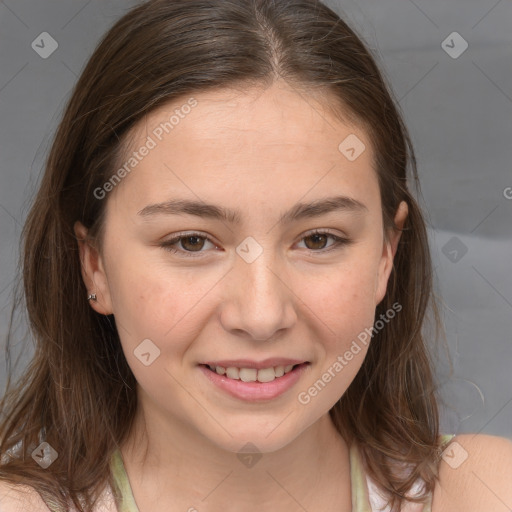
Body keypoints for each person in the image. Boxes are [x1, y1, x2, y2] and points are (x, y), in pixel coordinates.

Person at [0, 0, 511, 511]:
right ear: (95, 265)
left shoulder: (483, 492)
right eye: (191, 242)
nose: (262, 316)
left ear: (386, 255)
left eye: (318, 240)